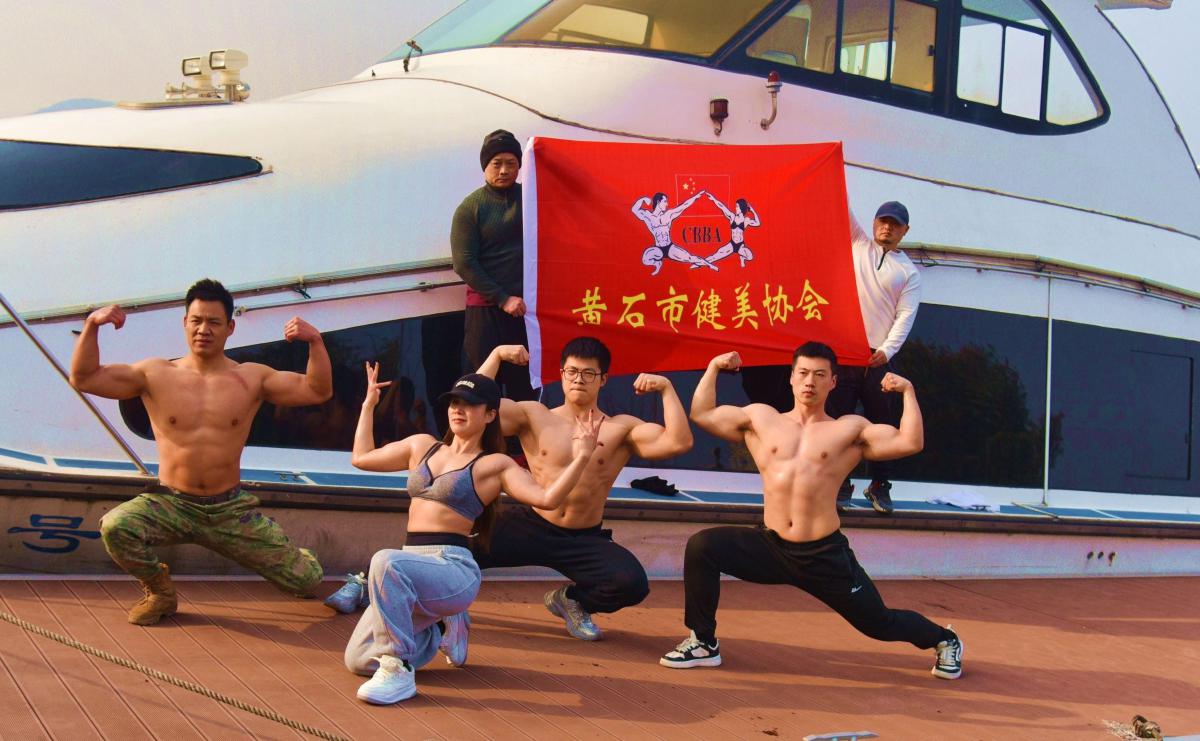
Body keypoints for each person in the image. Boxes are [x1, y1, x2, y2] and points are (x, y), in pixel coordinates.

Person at [659, 344, 962, 680]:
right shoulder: (761, 418)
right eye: (803, 373)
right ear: (791, 377)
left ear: (833, 382)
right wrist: (714, 367)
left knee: (879, 623)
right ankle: (703, 641)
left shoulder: (850, 429)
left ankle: (944, 639)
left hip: (823, 554)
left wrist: (908, 392)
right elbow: (703, 413)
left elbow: (910, 442)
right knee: (703, 547)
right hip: (772, 545)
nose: (810, 382)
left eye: (819, 375)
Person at [70, 278, 330, 625]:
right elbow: (84, 378)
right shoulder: (155, 373)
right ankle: (160, 593)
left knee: (307, 581)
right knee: (116, 526)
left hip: (228, 509)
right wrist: (91, 325)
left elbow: (316, 391)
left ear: (230, 328)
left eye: (213, 322)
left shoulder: (251, 378)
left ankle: (297, 556)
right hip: (171, 504)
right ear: (185, 323)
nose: (203, 329)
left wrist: (315, 341)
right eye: (196, 320)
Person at [343, 367, 601, 704]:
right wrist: (368, 405)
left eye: (469, 404)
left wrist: (582, 456)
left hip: (451, 568)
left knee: (384, 561)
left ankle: (398, 670)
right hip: (410, 567)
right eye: (454, 402)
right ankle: (439, 629)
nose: (458, 409)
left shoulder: (494, 465)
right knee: (358, 661)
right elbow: (361, 458)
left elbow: (548, 499)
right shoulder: (423, 446)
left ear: (491, 414)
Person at [475, 337, 693, 640]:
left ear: (603, 380)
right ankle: (446, 606)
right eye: (572, 371)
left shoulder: (621, 428)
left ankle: (573, 601)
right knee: (456, 547)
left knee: (631, 584)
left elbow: (679, 442)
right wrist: (496, 355)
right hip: (531, 523)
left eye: (589, 373)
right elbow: (476, 408)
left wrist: (667, 389)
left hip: (583, 537)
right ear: (562, 375)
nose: (579, 379)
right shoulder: (534, 415)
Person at [828, 200, 922, 514]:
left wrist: (887, 350)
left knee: (883, 423)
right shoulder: (857, 243)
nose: (887, 228)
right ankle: (841, 482)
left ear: (905, 230)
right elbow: (840, 205)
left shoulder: (908, 273)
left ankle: (880, 484)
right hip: (844, 353)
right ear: (873, 223)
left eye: (894, 224)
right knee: (838, 422)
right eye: (883, 221)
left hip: (878, 357)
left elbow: (905, 316)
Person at [451, 128, 537, 402]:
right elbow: (463, 262)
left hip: (525, 310)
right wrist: (502, 298)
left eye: (511, 163)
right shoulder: (470, 208)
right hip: (486, 311)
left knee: (526, 388)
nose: (504, 170)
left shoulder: (531, 198)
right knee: (480, 388)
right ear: (484, 166)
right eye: (496, 163)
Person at [632, 191, 717, 275]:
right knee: (645, 259)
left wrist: (696, 197)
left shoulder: (668, 215)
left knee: (690, 258)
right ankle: (657, 263)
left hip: (670, 248)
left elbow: (684, 205)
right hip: (658, 249)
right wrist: (643, 199)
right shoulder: (648, 216)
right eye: (665, 201)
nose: (667, 204)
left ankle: (710, 265)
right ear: (658, 202)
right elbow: (634, 209)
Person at [699, 193, 760, 268]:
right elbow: (722, 207)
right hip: (732, 244)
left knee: (750, 257)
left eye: (737, 207)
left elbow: (758, 223)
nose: (736, 208)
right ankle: (698, 263)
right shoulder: (732, 217)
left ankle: (742, 258)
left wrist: (753, 211)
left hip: (740, 246)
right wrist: (714, 199)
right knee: (715, 256)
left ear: (742, 208)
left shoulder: (746, 220)